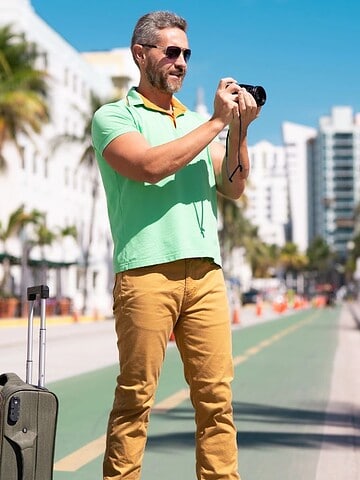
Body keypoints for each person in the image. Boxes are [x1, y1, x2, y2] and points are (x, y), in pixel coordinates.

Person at [91, 10, 260, 480]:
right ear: (140, 53)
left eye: (187, 53)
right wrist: (214, 123)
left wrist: (240, 127)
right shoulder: (113, 117)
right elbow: (147, 167)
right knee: (135, 400)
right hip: (146, 273)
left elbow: (234, 186)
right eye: (172, 51)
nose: (182, 61)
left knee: (217, 402)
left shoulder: (193, 121)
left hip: (206, 276)